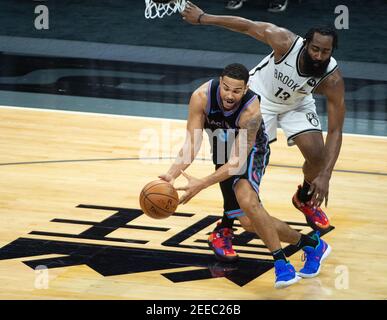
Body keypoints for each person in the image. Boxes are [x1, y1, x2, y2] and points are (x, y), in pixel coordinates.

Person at [181, 2, 345, 262]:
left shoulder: (332, 78)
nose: (318, 55)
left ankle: (303, 198)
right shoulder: (284, 42)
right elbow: (247, 26)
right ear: (305, 45)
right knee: (235, 166)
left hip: (296, 103)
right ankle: (225, 226)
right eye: (314, 48)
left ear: (332, 52)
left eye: (325, 51)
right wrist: (203, 18)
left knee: (317, 156)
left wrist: (325, 175)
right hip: (259, 101)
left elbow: (336, 129)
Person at [159, 63, 331, 288]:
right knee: (249, 222)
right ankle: (311, 244)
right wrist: (171, 175)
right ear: (220, 82)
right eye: (226, 88)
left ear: (246, 88)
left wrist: (200, 184)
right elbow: (192, 143)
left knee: (248, 200)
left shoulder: (251, 111)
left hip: (251, 151)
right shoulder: (200, 97)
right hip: (222, 150)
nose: (230, 95)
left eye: (236, 91)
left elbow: (237, 163)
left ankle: (282, 265)